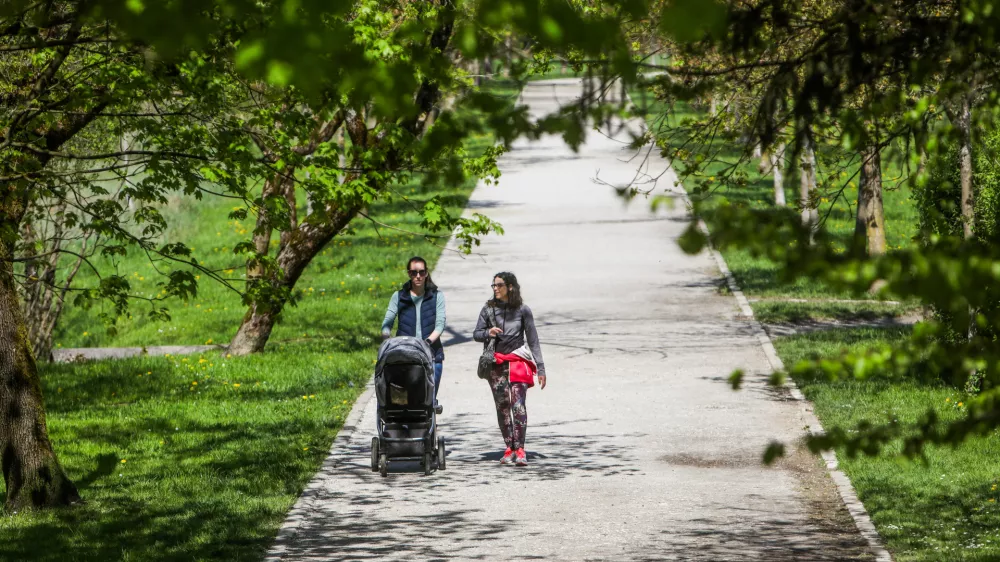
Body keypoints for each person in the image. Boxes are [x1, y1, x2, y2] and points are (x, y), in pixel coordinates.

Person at [473, 271, 546, 467]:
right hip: (496, 364)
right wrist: (488, 332)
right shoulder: (488, 309)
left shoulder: (523, 310)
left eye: (499, 285)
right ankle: (509, 447)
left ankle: (520, 449)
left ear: (510, 287)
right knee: (503, 407)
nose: (495, 288)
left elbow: (533, 340)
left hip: (518, 361)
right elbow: (476, 333)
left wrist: (541, 368)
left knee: (518, 406)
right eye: (493, 285)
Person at [381, 256, 446, 414]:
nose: (418, 276)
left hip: (431, 352)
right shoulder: (399, 296)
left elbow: (440, 324)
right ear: (409, 273)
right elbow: (388, 320)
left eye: (421, 272)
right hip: (405, 353)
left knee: (428, 398)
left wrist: (428, 341)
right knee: (404, 398)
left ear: (426, 273)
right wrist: (386, 337)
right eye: (414, 272)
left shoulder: (436, 296)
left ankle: (430, 419)